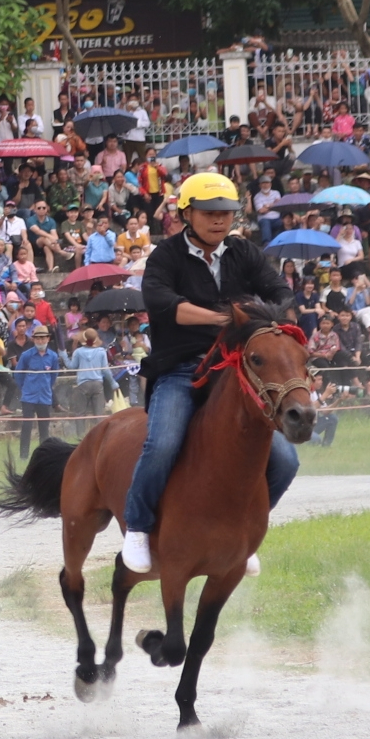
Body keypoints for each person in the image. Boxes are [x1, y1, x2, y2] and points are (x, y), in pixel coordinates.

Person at [121, 172, 297, 576]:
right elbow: (166, 305)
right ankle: (138, 525)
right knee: (163, 443)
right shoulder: (165, 256)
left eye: (227, 213)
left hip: (236, 370)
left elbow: (281, 293)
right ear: (186, 213)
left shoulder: (243, 252)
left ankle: (244, 531)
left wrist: (263, 321)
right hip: (181, 369)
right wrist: (227, 319)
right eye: (209, 212)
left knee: (286, 460)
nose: (219, 220)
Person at [13, 323, 59, 457]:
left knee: (44, 428)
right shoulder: (27, 355)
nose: (40, 341)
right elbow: (18, 373)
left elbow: (54, 375)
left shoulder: (53, 356)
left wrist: (47, 387)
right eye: (38, 338)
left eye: (43, 338)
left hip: (45, 396)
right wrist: (25, 388)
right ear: (33, 339)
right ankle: (23, 455)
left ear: (48, 339)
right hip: (28, 397)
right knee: (26, 427)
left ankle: (43, 456)